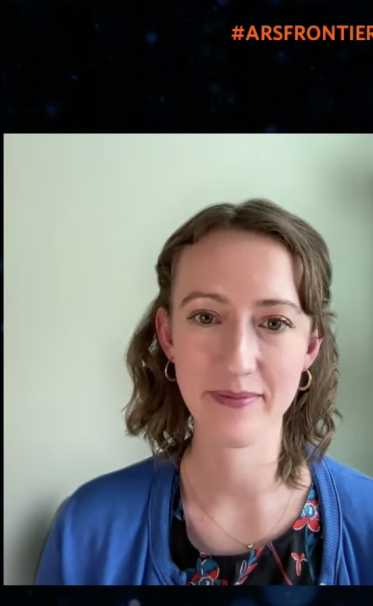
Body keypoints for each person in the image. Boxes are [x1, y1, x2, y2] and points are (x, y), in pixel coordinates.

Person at [35, 198, 373, 586]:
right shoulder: (87, 532)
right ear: (168, 336)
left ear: (310, 347)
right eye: (206, 317)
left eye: (275, 322)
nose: (238, 361)